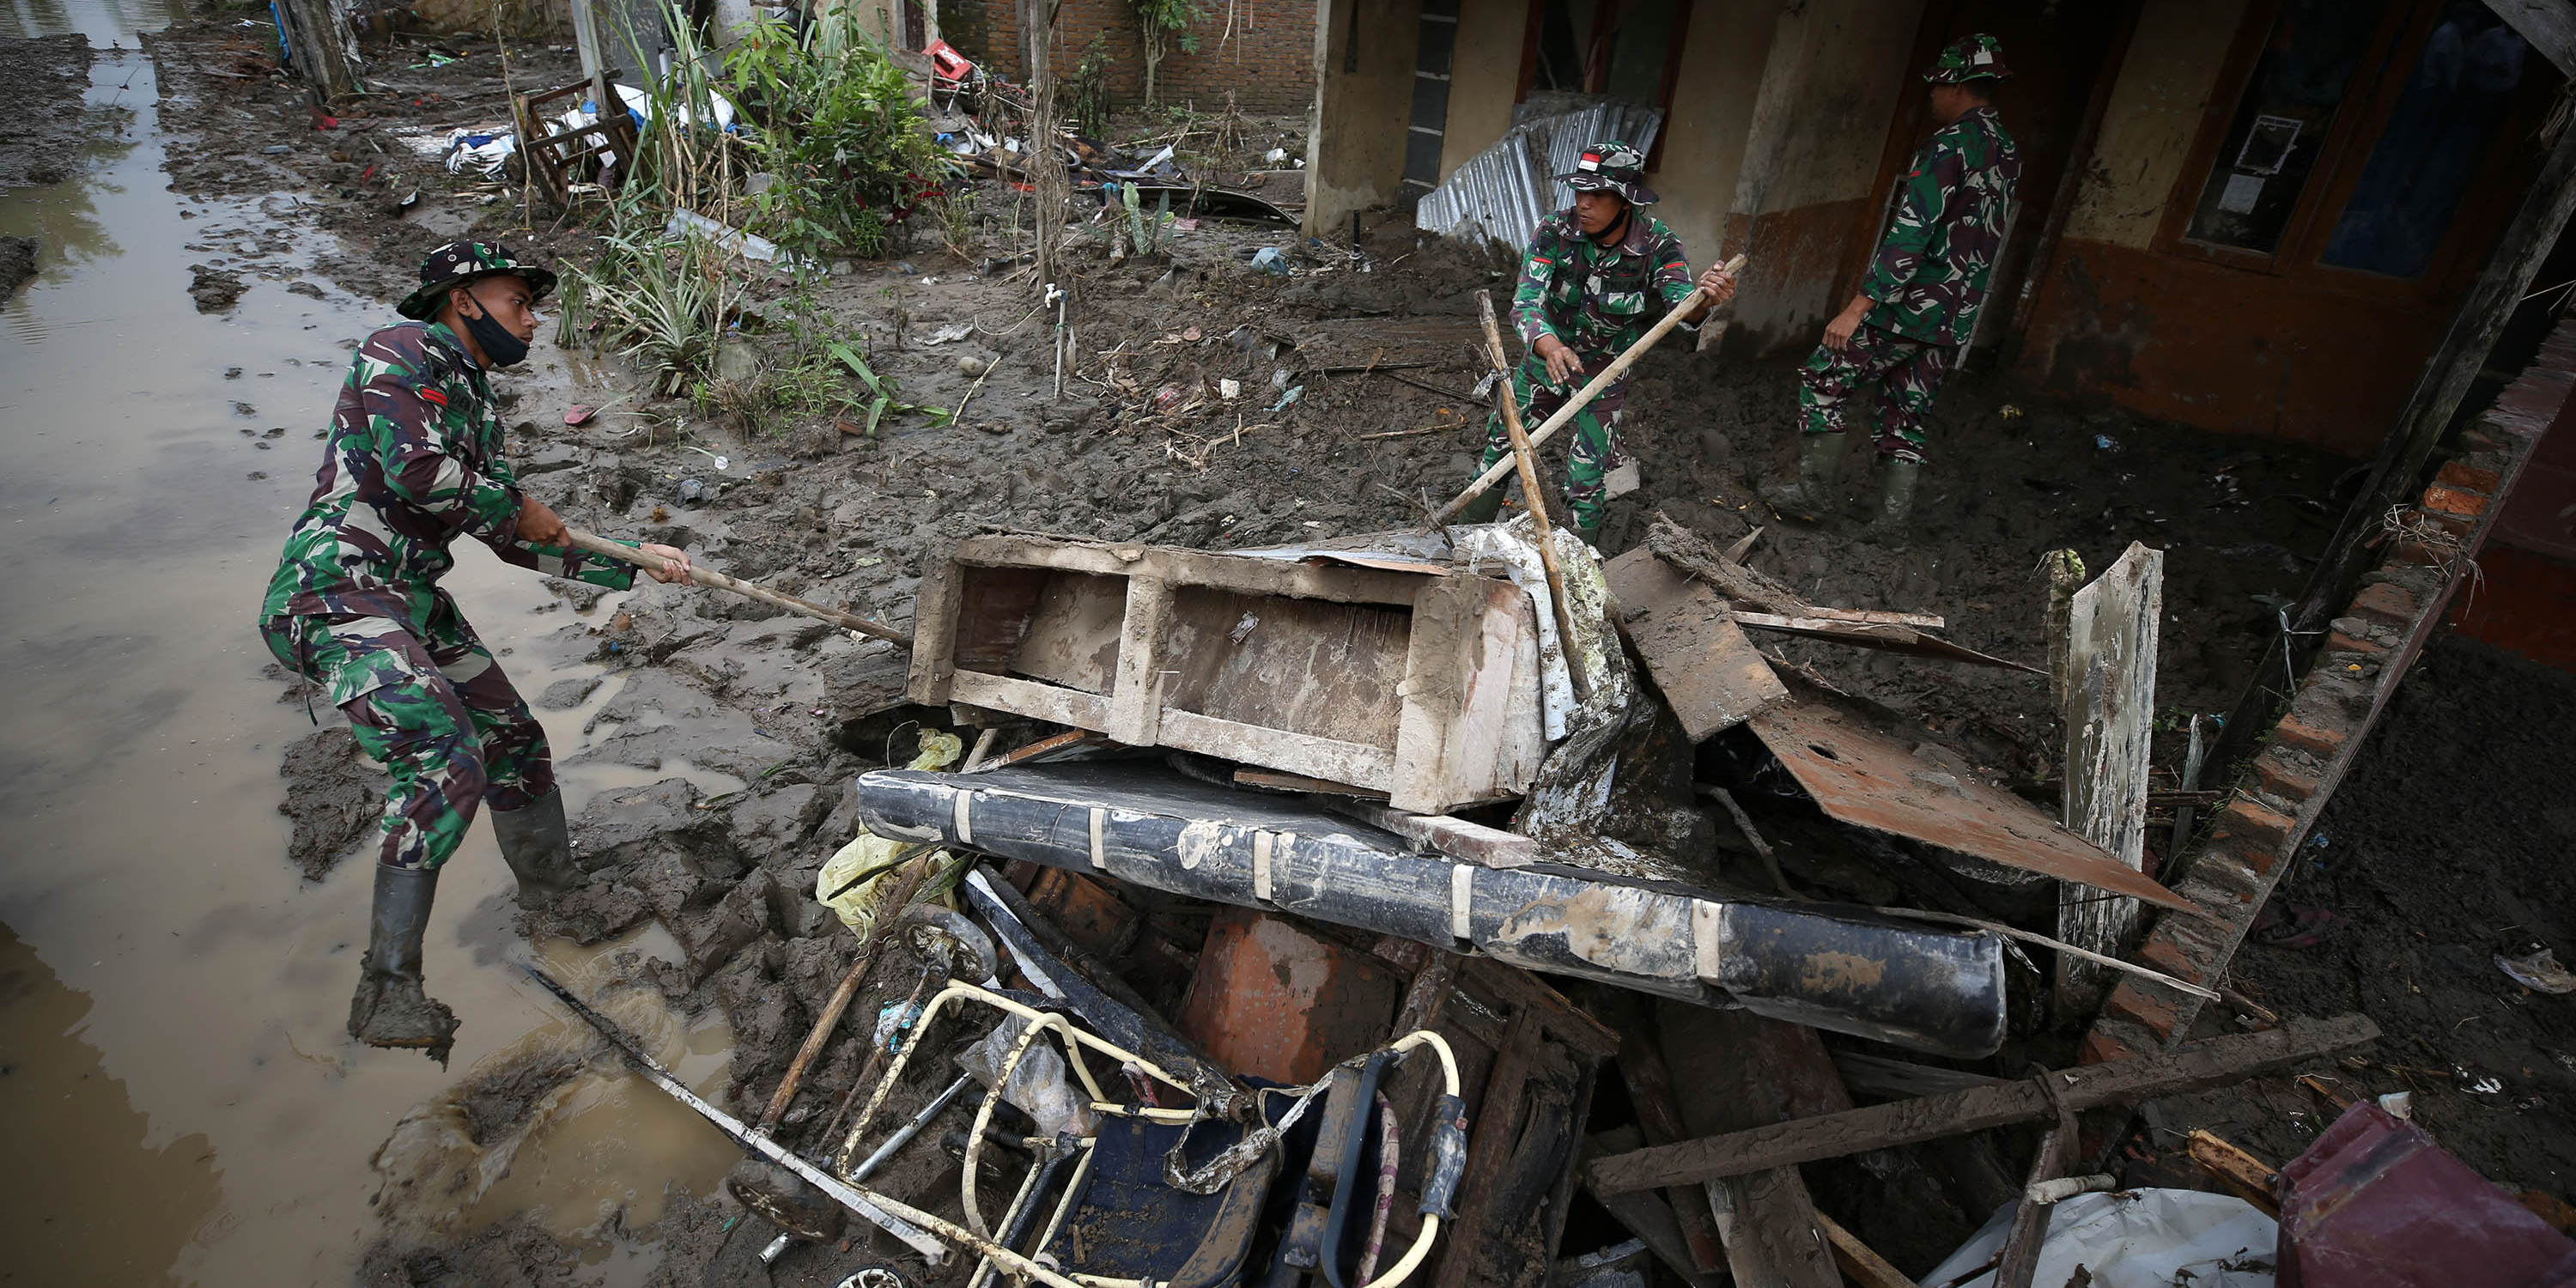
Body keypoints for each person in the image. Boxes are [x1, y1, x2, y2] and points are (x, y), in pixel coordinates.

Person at [258, 240, 693, 1059]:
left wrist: (634, 562)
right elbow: (419, 472)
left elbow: (511, 535)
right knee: (444, 754)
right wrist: (519, 502)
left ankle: (554, 894)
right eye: (517, 302)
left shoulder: (474, 400)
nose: (531, 319)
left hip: (411, 597)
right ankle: (386, 986)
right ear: (464, 300)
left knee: (512, 741)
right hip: (339, 589)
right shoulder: (400, 350)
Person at [1764, 33, 2020, 538]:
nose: (1932, 97)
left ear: (1957, 85)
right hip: (1954, 315)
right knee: (1907, 412)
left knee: (1823, 377)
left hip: (1908, 305)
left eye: (1937, 87)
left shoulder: (1949, 146)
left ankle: (1813, 495)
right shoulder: (2006, 148)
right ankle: (1890, 524)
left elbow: (1910, 233)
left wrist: (1858, 307)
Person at [1455, 140, 1737, 543]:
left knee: (1586, 478)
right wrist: (1549, 347)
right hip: (1544, 362)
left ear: (1625, 201)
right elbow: (1525, 302)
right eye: (1580, 192)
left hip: (1604, 373)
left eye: (1598, 195)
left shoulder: (1658, 244)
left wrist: (1704, 298)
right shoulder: (1555, 230)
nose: (1584, 204)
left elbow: (1683, 308)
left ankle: (1576, 564)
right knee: (1502, 450)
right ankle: (1465, 540)